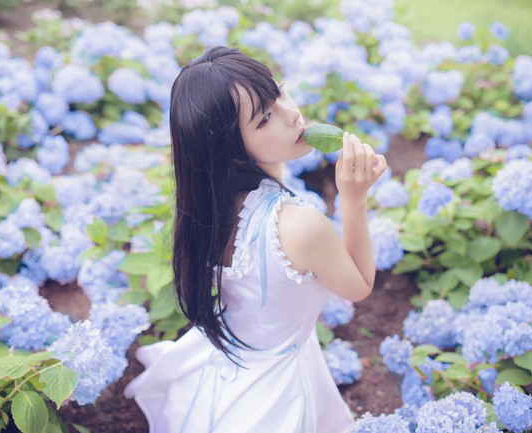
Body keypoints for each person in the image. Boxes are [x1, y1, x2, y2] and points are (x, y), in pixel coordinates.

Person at [124, 46, 387, 433]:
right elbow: (359, 286)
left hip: (228, 365)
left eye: (279, 91)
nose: (291, 113)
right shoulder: (299, 226)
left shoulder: (211, 205)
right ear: (231, 151)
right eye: (264, 118)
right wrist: (354, 198)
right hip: (274, 393)